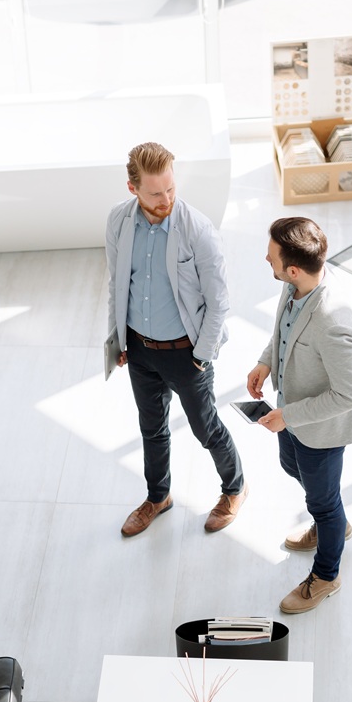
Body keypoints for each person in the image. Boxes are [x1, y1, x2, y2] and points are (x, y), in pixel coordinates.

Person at [106, 142, 247, 537]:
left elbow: (220, 303)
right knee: (151, 428)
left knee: (206, 428)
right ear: (133, 188)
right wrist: (118, 339)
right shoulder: (118, 221)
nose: (166, 198)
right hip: (139, 350)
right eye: (155, 192)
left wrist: (200, 358)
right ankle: (158, 496)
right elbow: (118, 284)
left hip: (187, 354)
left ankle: (235, 488)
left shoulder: (198, 229)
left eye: (171, 188)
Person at [247, 217, 352, 613]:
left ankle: (326, 574)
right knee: (290, 465)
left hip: (319, 429)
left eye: (272, 259)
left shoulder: (334, 321)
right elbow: (283, 329)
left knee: (324, 502)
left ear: (293, 268)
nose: (267, 259)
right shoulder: (294, 285)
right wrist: (266, 361)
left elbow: (348, 395)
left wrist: (289, 416)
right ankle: (331, 518)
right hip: (292, 412)